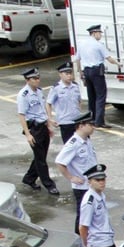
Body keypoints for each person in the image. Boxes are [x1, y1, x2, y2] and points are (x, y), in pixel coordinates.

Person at [18, 67, 59, 196]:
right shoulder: (23, 95)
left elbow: (41, 111)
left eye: (38, 78)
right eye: (34, 78)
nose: (37, 80)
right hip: (34, 129)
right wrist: (28, 134)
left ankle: (29, 178)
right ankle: (49, 184)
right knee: (41, 159)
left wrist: (48, 124)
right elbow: (21, 115)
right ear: (27, 80)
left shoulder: (39, 92)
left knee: (40, 156)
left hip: (43, 127)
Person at [55, 112, 97, 231]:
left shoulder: (86, 140)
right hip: (82, 187)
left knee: (91, 215)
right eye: (90, 124)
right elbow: (60, 162)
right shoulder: (73, 143)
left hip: (91, 185)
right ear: (81, 126)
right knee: (83, 217)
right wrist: (71, 177)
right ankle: (79, 240)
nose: (93, 127)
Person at [75, 24, 121, 127]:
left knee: (91, 96)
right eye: (99, 33)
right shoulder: (98, 45)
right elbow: (109, 58)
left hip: (86, 71)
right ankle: (99, 121)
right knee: (100, 96)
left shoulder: (82, 44)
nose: (100, 35)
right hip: (96, 71)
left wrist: (80, 72)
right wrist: (118, 64)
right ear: (94, 33)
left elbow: (77, 59)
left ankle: (92, 118)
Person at [47, 61, 81, 144]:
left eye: (70, 73)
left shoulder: (75, 86)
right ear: (60, 74)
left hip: (77, 121)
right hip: (65, 123)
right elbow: (48, 103)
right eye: (67, 74)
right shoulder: (56, 88)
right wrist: (50, 118)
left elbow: (79, 101)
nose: (69, 76)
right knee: (69, 146)